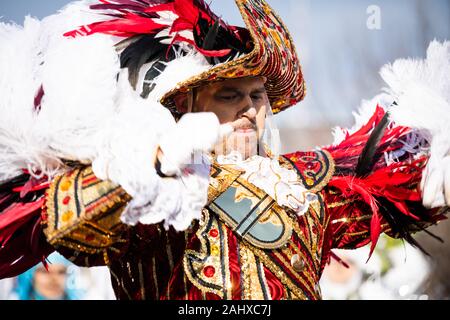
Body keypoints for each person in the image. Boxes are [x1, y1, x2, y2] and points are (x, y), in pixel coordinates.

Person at [0, 0, 449, 300]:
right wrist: (152, 165)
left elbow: (396, 181)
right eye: (230, 96)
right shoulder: (162, 188)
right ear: (188, 105)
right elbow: (69, 228)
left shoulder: (303, 180)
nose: (250, 109)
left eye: (257, 95)